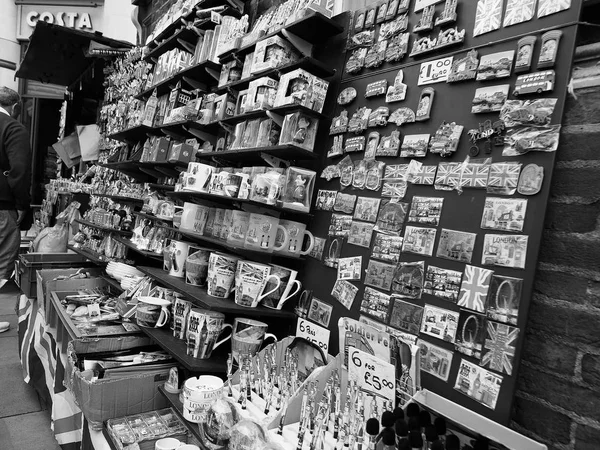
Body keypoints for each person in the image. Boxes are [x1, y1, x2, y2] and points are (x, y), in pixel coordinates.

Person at [0, 87, 31, 332]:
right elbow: (19, 170)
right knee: (2, 260)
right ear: (15, 107)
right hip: (1, 206)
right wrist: (22, 204)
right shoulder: (12, 128)